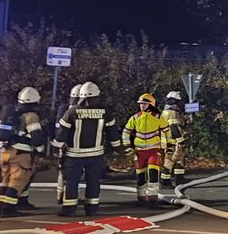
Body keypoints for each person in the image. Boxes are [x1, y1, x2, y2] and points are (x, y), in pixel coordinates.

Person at [52, 81, 121, 217]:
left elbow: (61, 134)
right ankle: (92, 208)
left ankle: (69, 210)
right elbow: (113, 133)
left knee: (72, 182)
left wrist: (56, 149)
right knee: (94, 181)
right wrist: (117, 149)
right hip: (96, 155)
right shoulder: (105, 112)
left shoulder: (72, 112)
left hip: (74, 155)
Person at [0, 87, 46, 217]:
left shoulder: (10, 115)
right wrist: (41, 151)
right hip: (20, 154)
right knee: (18, 181)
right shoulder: (31, 116)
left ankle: (0, 208)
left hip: (5, 152)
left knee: (6, 180)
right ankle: (8, 210)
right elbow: (37, 137)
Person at [122, 93, 168, 206]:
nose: (142, 106)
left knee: (153, 173)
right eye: (141, 104)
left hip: (154, 150)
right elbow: (126, 132)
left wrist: (170, 145)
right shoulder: (135, 117)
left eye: (144, 103)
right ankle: (141, 197)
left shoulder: (158, 117)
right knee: (140, 176)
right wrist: (127, 145)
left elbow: (167, 132)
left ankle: (153, 197)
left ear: (150, 104)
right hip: (139, 151)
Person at [54, 84, 82, 207]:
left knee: (62, 171)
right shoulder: (77, 111)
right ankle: (69, 196)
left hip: (61, 144)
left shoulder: (63, 109)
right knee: (73, 173)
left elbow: (55, 128)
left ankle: (60, 194)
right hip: (73, 146)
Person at [159, 91, 188, 190]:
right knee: (169, 161)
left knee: (179, 160)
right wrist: (181, 140)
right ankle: (165, 182)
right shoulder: (172, 113)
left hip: (167, 141)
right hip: (172, 142)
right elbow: (173, 127)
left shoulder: (165, 112)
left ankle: (179, 179)